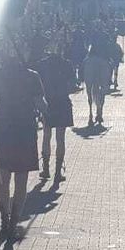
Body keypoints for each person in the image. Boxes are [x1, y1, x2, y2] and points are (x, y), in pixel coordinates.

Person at [0, 47, 47, 241]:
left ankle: (4, 220)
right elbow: (42, 105)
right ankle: (14, 221)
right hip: (25, 133)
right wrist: (45, 111)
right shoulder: (32, 77)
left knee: (3, 179)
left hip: (3, 133)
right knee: (21, 181)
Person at [34, 37, 77, 182]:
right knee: (60, 139)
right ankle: (58, 172)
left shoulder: (41, 65)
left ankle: (46, 169)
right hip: (63, 103)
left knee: (46, 136)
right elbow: (72, 86)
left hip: (47, 103)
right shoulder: (67, 64)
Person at [82, 40, 112, 127]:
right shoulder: (104, 39)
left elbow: (91, 50)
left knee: (83, 64)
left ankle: (90, 114)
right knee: (110, 66)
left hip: (92, 57)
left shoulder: (94, 38)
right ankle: (100, 112)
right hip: (102, 58)